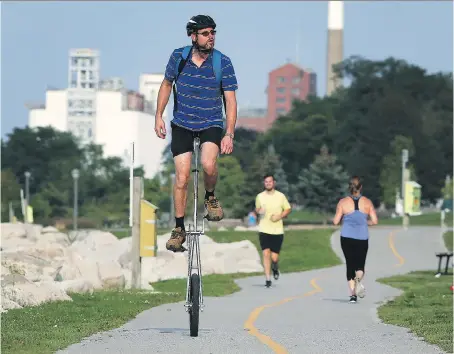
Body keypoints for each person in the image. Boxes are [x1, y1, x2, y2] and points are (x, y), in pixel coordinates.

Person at [154, 15, 238, 252]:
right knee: (181, 177)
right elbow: (166, 85)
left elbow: (230, 101)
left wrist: (229, 133)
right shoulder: (178, 58)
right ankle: (179, 228)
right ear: (193, 36)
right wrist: (158, 115)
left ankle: (210, 197)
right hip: (182, 123)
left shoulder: (223, 62)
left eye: (213, 32)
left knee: (209, 165)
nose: (210, 37)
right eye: (205, 33)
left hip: (211, 121)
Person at [333, 176, 378, 303]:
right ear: (361, 187)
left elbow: (336, 221)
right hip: (362, 237)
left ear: (349, 187)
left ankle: (353, 295)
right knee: (360, 265)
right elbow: (374, 221)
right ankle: (358, 280)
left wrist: (345, 219)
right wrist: (364, 223)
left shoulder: (343, 202)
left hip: (346, 237)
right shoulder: (367, 202)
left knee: (350, 264)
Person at [255, 174, 292, 288]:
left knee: (274, 257)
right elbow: (257, 209)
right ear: (264, 183)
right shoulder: (260, 196)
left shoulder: (280, 196)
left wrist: (279, 216)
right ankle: (267, 279)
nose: (268, 184)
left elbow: (288, 209)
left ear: (274, 183)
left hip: (277, 231)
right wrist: (259, 211)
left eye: (270, 182)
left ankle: (275, 266)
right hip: (264, 229)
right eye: (266, 182)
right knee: (266, 253)